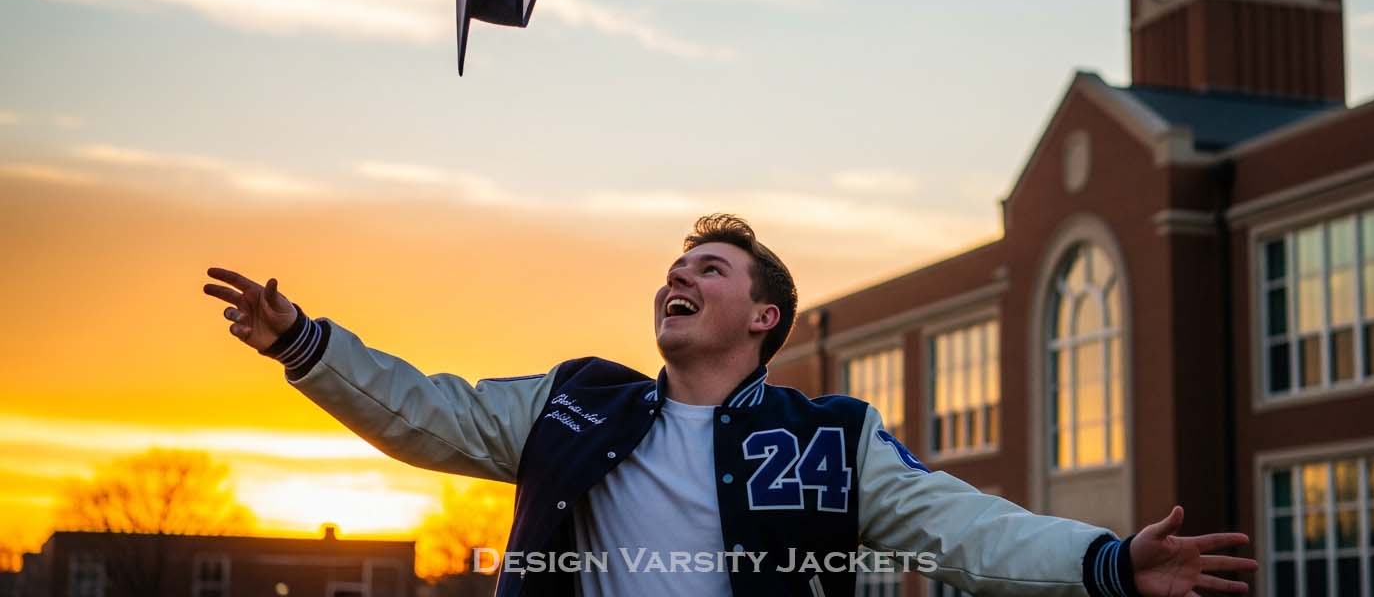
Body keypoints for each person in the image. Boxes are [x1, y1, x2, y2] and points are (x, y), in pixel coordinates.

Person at [203, 214, 1256, 597]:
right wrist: (304, 344)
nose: (679, 275)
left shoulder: (828, 439)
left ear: (763, 317)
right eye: (675, 266)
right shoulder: (579, 404)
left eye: (709, 268)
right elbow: (432, 413)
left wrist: (1108, 563)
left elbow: (966, 531)